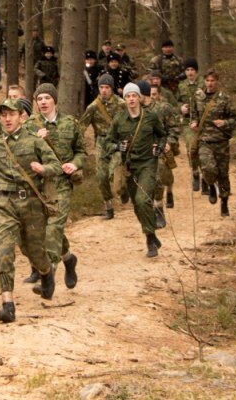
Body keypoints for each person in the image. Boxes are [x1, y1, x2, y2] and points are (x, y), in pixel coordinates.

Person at [0, 98, 62, 320]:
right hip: (5, 205)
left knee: (34, 251)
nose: (7, 119)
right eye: (3, 115)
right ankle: (8, 305)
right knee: (4, 253)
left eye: (11, 114)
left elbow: (56, 166)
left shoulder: (34, 142)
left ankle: (46, 273)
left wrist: (43, 169)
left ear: (21, 116)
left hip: (31, 205)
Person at [24, 83, 85, 290]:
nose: (42, 102)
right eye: (39, 98)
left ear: (54, 100)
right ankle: (68, 258)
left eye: (46, 98)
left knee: (54, 228)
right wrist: (35, 141)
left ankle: (48, 278)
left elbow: (81, 151)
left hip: (61, 184)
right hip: (39, 186)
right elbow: (22, 154)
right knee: (45, 231)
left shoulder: (70, 123)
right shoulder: (29, 125)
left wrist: (74, 164)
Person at [103, 82, 168, 257]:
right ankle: (152, 235)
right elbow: (107, 142)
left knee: (142, 200)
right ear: (124, 99)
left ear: (139, 98)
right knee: (137, 206)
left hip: (148, 163)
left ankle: (149, 239)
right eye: (128, 96)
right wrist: (117, 146)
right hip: (129, 166)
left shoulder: (150, 117)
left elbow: (162, 135)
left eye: (134, 95)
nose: (131, 99)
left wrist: (159, 147)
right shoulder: (119, 119)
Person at [190, 70, 236, 217]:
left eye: (213, 81)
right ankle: (210, 185)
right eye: (207, 80)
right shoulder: (198, 97)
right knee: (208, 167)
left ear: (217, 82)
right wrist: (193, 123)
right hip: (204, 140)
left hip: (221, 141)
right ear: (204, 81)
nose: (210, 83)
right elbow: (193, 115)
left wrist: (224, 122)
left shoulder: (224, 99)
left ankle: (224, 202)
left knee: (223, 173)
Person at [80, 73, 124, 220]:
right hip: (102, 143)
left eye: (107, 87)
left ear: (112, 89)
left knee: (114, 171)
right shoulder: (93, 107)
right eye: (101, 87)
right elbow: (82, 127)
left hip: (117, 143)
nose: (104, 90)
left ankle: (123, 190)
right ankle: (109, 206)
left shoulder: (121, 104)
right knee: (101, 175)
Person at [145, 74, 181, 228]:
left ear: (158, 94)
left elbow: (174, 128)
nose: (151, 98)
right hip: (144, 151)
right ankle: (149, 210)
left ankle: (159, 210)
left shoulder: (164, 108)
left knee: (161, 178)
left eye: (154, 94)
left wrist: (169, 143)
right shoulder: (137, 109)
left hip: (161, 148)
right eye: (148, 94)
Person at [175, 59, 203, 193]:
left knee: (203, 150)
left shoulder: (203, 83)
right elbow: (176, 102)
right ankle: (195, 173)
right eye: (187, 70)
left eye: (192, 70)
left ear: (196, 71)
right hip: (187, 122)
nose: (190, 72)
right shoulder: (181, 86)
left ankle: (207, 179)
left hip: (202, 122)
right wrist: (181, 108)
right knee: (191, 148)